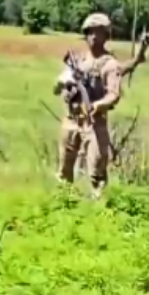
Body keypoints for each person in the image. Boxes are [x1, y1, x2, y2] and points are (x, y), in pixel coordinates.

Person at [54, 12, 123, 197]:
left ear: (106, 35)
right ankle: (63, 207)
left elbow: (114, 95)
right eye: (90, 32)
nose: (93, 36)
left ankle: (99, 216)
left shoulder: (110, 64)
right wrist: (64, 83)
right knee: (63, 171)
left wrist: (99, 105)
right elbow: (57, 87)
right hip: (71, 121)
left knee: (97, 175)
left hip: (94, 123)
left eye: (98, 32)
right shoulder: (78, 62)